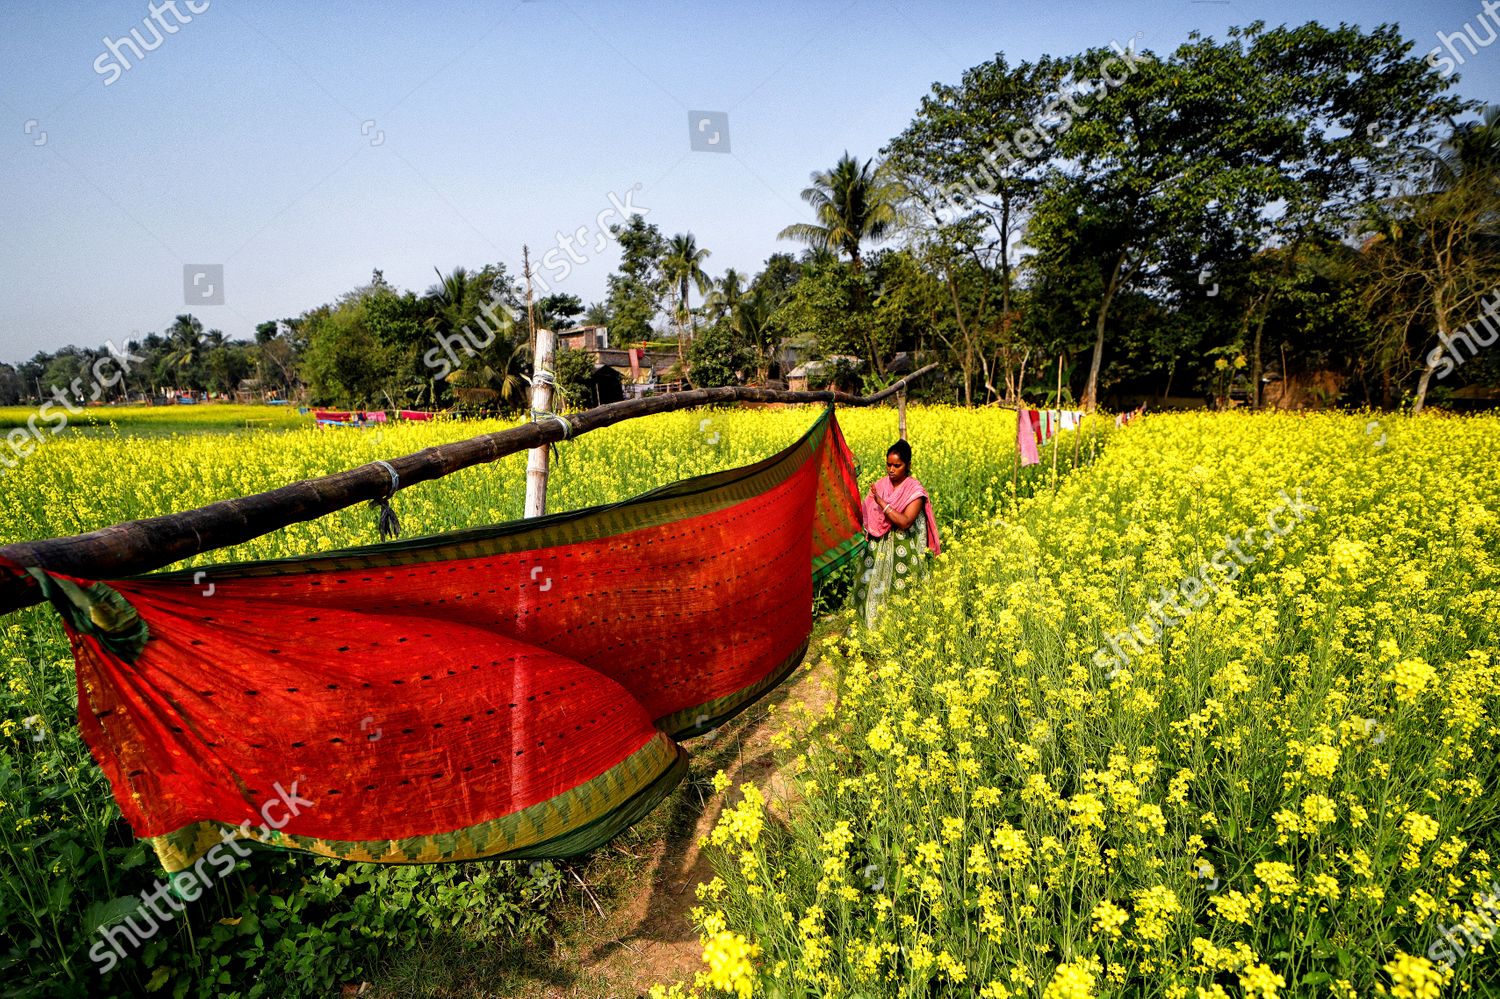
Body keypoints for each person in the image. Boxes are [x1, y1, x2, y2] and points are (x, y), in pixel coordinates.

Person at [850, 439, 941, 628]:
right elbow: (867, 515)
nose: (891, 469)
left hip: (904, 549)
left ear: (908, 465)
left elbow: (905, 522)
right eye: (888, 465)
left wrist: (882, 503)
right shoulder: (881, 486)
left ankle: (898, 634)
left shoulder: (914, 491)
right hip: (876, 549)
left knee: (901, 591)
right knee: (869, 588)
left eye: (897, 466)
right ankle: (866, 633)